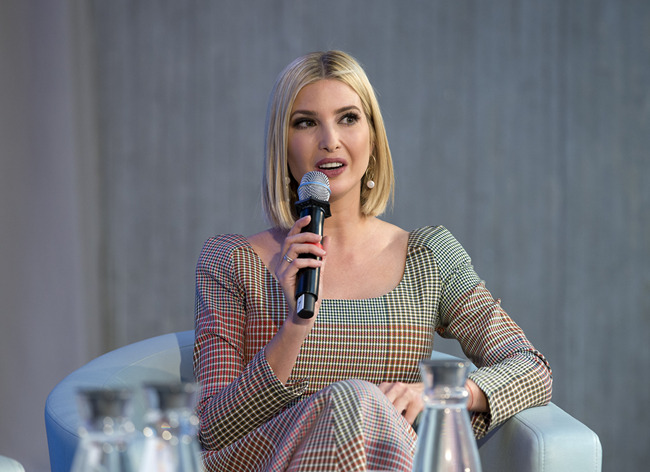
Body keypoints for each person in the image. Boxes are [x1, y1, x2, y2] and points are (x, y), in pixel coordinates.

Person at [193, 50, 552, 471]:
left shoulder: (429, 257)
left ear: (372, 135)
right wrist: (295, 326)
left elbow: (530, 367)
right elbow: (212, 429)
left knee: (360, 401)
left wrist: (437, 395)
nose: (331, 139)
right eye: (306, 122)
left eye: (348, 118)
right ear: (282, 144)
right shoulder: (230, 262)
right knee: (354, 399)